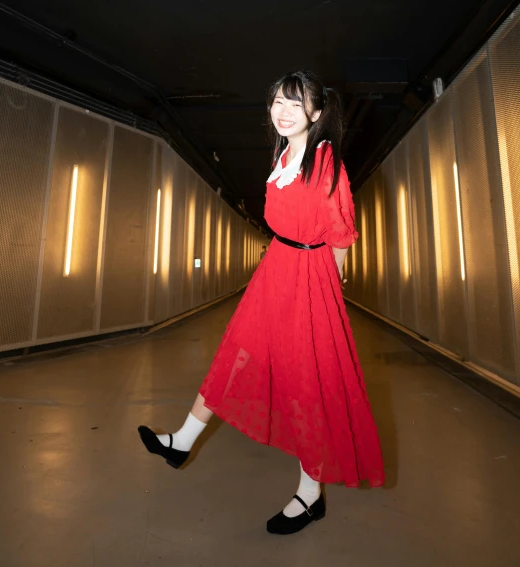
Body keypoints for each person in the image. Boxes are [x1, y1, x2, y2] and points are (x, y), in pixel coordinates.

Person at [138, 70, 384, 535]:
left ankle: (310, 496)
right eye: (278, 102)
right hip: (275, 271)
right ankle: (182, 441)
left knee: (308, 385)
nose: (285, 111)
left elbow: (341, 233)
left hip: (309, 279)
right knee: (237, 353)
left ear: (316, 112)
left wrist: (330, 296)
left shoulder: (325, 159)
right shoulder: (280, 156)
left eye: (296, 104)